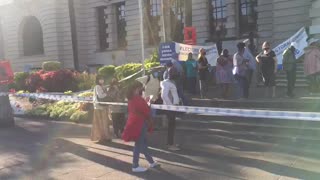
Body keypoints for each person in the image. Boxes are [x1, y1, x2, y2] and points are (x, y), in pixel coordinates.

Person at [122, 82, 159, 173]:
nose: (141, 90)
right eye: (140, 88)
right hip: (140, 123)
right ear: (136, 88)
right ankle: (135, 165)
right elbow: (146, 110)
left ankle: (151, 162)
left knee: (142, 143)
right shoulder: (138, 98)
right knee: (139, 144)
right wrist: (148, 103)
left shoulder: (131, 98)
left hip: (134, 122)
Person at [160, 73, 180, 151]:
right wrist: (170, 105)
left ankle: (171, 143)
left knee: (172, 126)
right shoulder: (167, 83)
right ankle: (170, 144)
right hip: (170, 109)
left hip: (171, 108)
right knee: (171, 126)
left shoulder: (168, 83)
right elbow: (164, 95)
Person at [91, 75, 112, 143]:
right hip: (99, 107)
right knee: (101, 122)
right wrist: (107, 93)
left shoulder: (102, 86)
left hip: (102, 106)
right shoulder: (97, 87)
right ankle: (101, 137)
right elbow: (100, 95)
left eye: (102, 79)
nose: (102, 81)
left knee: (104, 122)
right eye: (100, 79)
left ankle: (105, 137)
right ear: (97, 80)